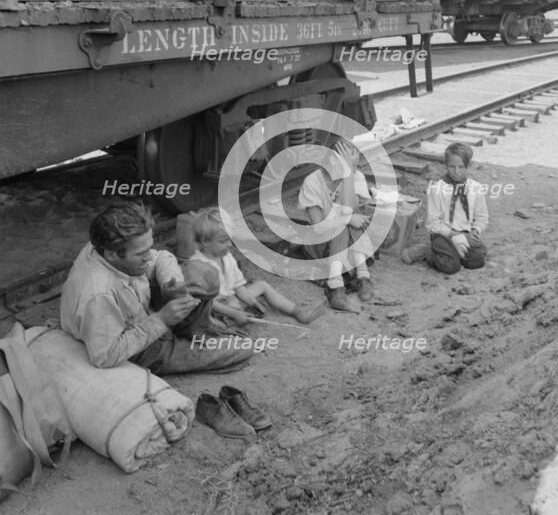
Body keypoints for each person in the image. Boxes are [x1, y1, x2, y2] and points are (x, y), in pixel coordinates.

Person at [60, 200, 252, 374]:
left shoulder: (107, 247)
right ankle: (181, 342)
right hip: (138, 348)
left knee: (203, 274)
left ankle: (193, 332)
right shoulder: (98, 294)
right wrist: (161, 320)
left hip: (144, 317)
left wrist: (172, 284)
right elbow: (106, 356)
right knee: (244, 347)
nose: (149, 257)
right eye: (141, 254)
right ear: (112, 255)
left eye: (148, 248)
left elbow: (161, 257)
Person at [184, 207, 326, 326]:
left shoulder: (226, 257)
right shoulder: (196, 266)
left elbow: (238, 286)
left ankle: (297, 311)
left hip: (230, 299)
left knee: (261, 285)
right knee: (223, 311)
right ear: (205, 242)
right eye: (223, 241)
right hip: (212, 307)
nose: (229, 245)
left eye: (230, 240)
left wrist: (251, 302)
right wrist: (234, 312)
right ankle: (230, 320)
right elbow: (206, 303)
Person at [297, 140, 375, 310]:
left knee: (352, 219)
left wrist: (349, 175)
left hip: (350, 249)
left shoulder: (356, 177)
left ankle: (358, 278)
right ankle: (338, 284)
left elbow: (349, 210)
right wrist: (346, 219)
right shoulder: (313, 181)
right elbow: (318, 227)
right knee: (345, 222)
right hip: (320, 246)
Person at [425, 142, 488, 274]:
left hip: (466, 234)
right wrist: (455, 235)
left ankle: (452, 253)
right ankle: (429, 254)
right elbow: (432, 224)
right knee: (451, 267)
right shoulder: (437, 189)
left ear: (468, 166)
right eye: (452, 166)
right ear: (446, 165)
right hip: (443, 235)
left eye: (461, 167)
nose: (456, 171)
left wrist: (475, 232)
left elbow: (482, 217)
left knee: (477, 261)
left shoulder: (476, 188)